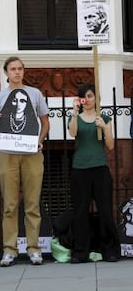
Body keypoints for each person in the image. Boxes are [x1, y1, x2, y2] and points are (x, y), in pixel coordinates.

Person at [0, 56, 50, 267]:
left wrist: (40, 141)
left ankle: (34, 248)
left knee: (32, 203)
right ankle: (9, 249)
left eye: (20, 68)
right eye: (13, 69)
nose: (17, 72)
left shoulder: (35, 94)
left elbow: (45, 121)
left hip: (31, 153)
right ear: (6, 72)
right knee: (10, 204)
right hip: (7, 152)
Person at [68, 83, 120, 263]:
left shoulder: (104, 117)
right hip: (80, 169)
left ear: (96, 98)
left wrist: (104, 127)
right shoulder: (76, 117)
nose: (87, 100)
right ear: (80, 100)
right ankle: (81, 251)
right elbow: (72, 132)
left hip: (100, 169)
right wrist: (74, 113)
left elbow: (111, 146)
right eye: (84, 97)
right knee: (81, 211)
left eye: (91, 96)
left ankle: (109, 250)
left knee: (105, 210)